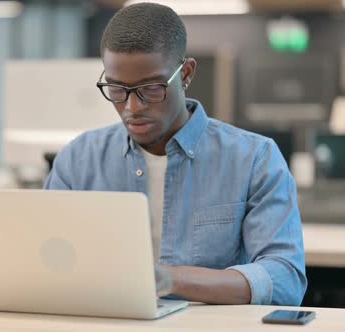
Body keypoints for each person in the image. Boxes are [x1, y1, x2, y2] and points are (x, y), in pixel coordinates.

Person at [43, 3, 306, 306]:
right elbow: (48, 262)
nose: (132, 108)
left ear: (186, 74)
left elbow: (285, 280)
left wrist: (164, 279)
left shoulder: (254, 159)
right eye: (117, 89)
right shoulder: (78, 160)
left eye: (151, 89)